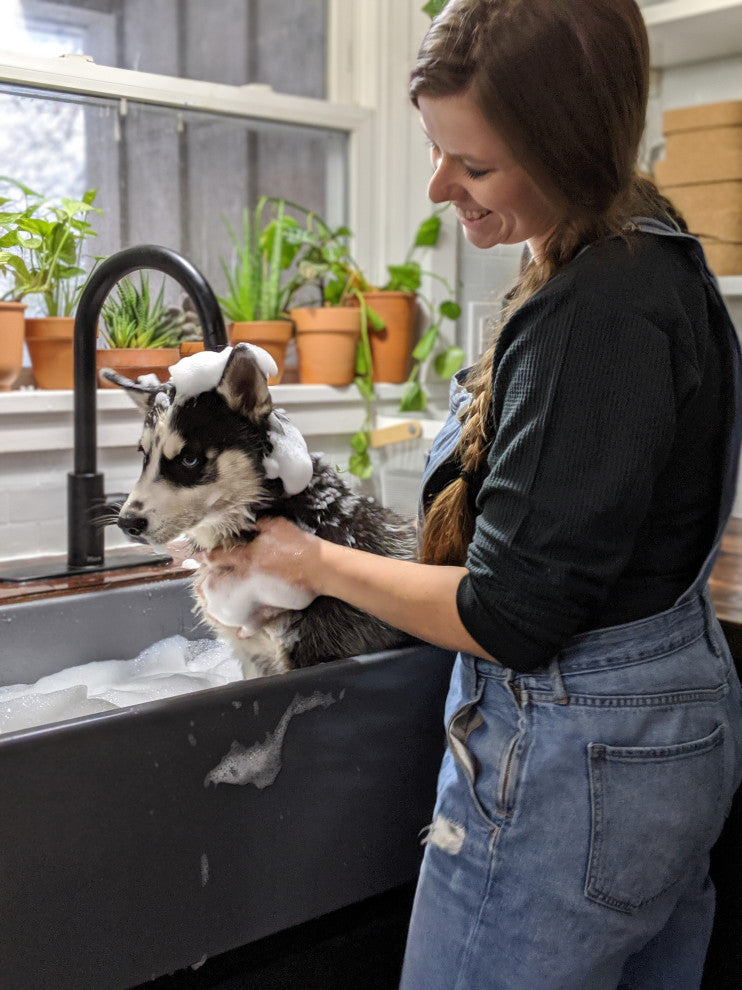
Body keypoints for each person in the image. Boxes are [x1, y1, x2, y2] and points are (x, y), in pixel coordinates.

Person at [202, 1, 742, 986]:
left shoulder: (594, 308)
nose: (439, 185)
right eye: (437, 150)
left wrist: (309, 559)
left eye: (475, 165)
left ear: (571, 149)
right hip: (668, 739)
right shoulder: (656, 250)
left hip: (571, 765)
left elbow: (512, 614)